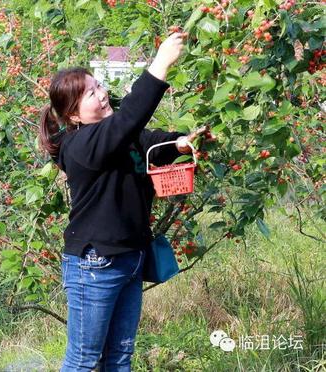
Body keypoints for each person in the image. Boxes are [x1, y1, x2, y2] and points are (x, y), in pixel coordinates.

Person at [37, 34, 207, 371]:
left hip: (130, 258)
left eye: (98, 85)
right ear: (73, 116)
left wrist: (181, 143)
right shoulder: (81, 145)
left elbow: (149, 140)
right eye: (90, 93)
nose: (101, 93)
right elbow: (131, 118)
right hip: (94, 264)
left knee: (119, 356)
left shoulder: (117, 134)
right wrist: (160, 64)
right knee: (84, 360)